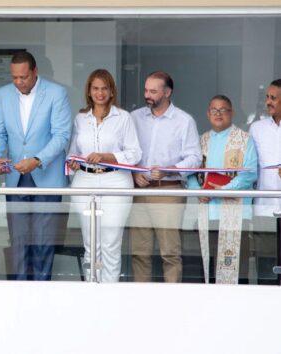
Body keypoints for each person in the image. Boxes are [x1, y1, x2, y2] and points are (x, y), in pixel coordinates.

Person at [0, 51, 71, 281]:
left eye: (23, 77)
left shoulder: (56, 93)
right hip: (16, 178)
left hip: (46, 177)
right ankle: (19, 292)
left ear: (35, 72)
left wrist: (37, 160)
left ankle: (41, 292)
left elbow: (61, 135)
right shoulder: (4, 94)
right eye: (14, 77)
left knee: (44, 243)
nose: (18, 82)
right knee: (18, 241)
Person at [68, 69, 141, 282]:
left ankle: (110, 292)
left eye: (104, 88)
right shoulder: (80, 118)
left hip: (115, 180)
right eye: (95, 88)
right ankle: (92, 289)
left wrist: (106, 156)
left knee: (110, 242)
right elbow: (73, 152)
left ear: (111, 92)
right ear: (89, 91)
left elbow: (135, 153)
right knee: (91, 243)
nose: (100, 93)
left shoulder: (123, 117)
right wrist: (73, 162)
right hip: (84, 181)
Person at [130, 71, 202, 283]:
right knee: (139, 252)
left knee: (170, 252)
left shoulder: (184, 121)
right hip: (139, 191)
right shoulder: (134, 118)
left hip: (168, 190)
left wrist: (169, 169)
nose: (147, 95)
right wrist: (134, 173)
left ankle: (173, 299)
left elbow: (195, 158)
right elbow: (126, 152)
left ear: (167, 93)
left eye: (153, 91)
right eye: (146, 90)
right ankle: (141, 297)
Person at [187, 95, 257, 284]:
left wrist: (225, 189)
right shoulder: (201, 141)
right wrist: (197, 190)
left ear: (232, 113)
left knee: (236, 269)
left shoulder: (244, 140)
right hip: (207, 214)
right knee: (206, 271)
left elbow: (250, 173)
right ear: (208, 114)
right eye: (214, 110)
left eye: (223, 110)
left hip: (236, 215)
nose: (218, 114)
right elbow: (190, 173)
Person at [250, 78, 281, 285]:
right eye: (268, 97)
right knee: (265, 268)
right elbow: (249, 166)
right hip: (264, 207)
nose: (268, 102)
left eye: (273, 98)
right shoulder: (257, 128)